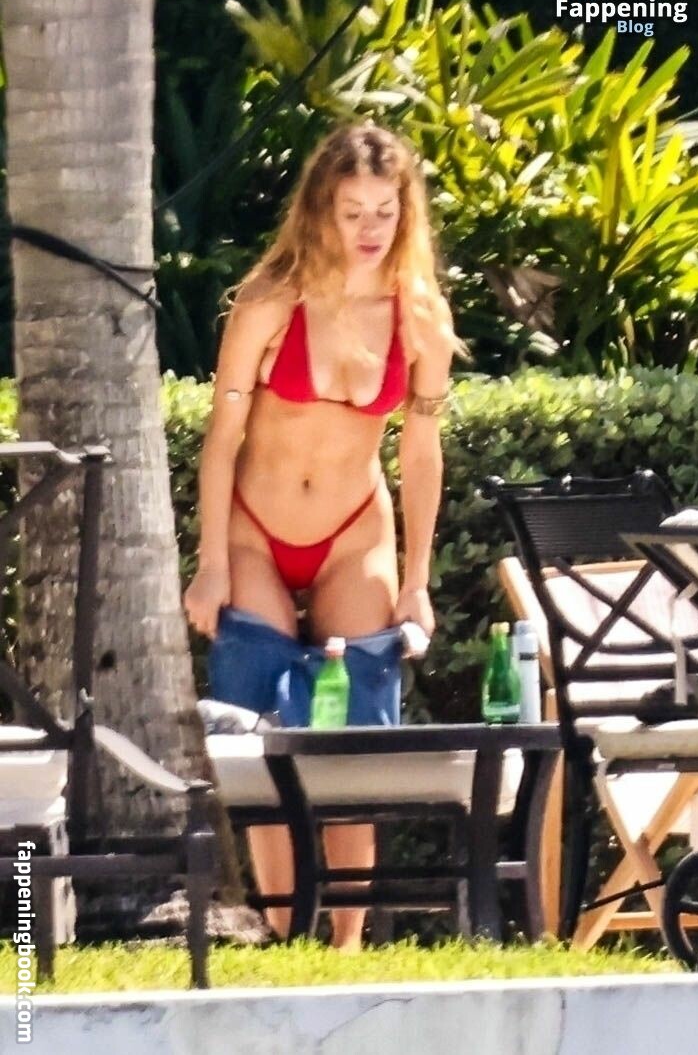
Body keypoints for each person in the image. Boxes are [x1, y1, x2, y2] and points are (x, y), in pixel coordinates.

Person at [183, 120, 464, 951]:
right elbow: (223, 440)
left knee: (354, 746)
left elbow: (421, 450)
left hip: (353, 532)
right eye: (352, 211)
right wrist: (209, 563)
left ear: (405, 213)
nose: (370, 228)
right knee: (258, 736)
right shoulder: (271, 301)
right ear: (320, 211)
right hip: (257, 533)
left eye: (385, 210)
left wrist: (416, 580)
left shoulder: (420, 317)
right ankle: (279, 933)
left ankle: (345, 943)